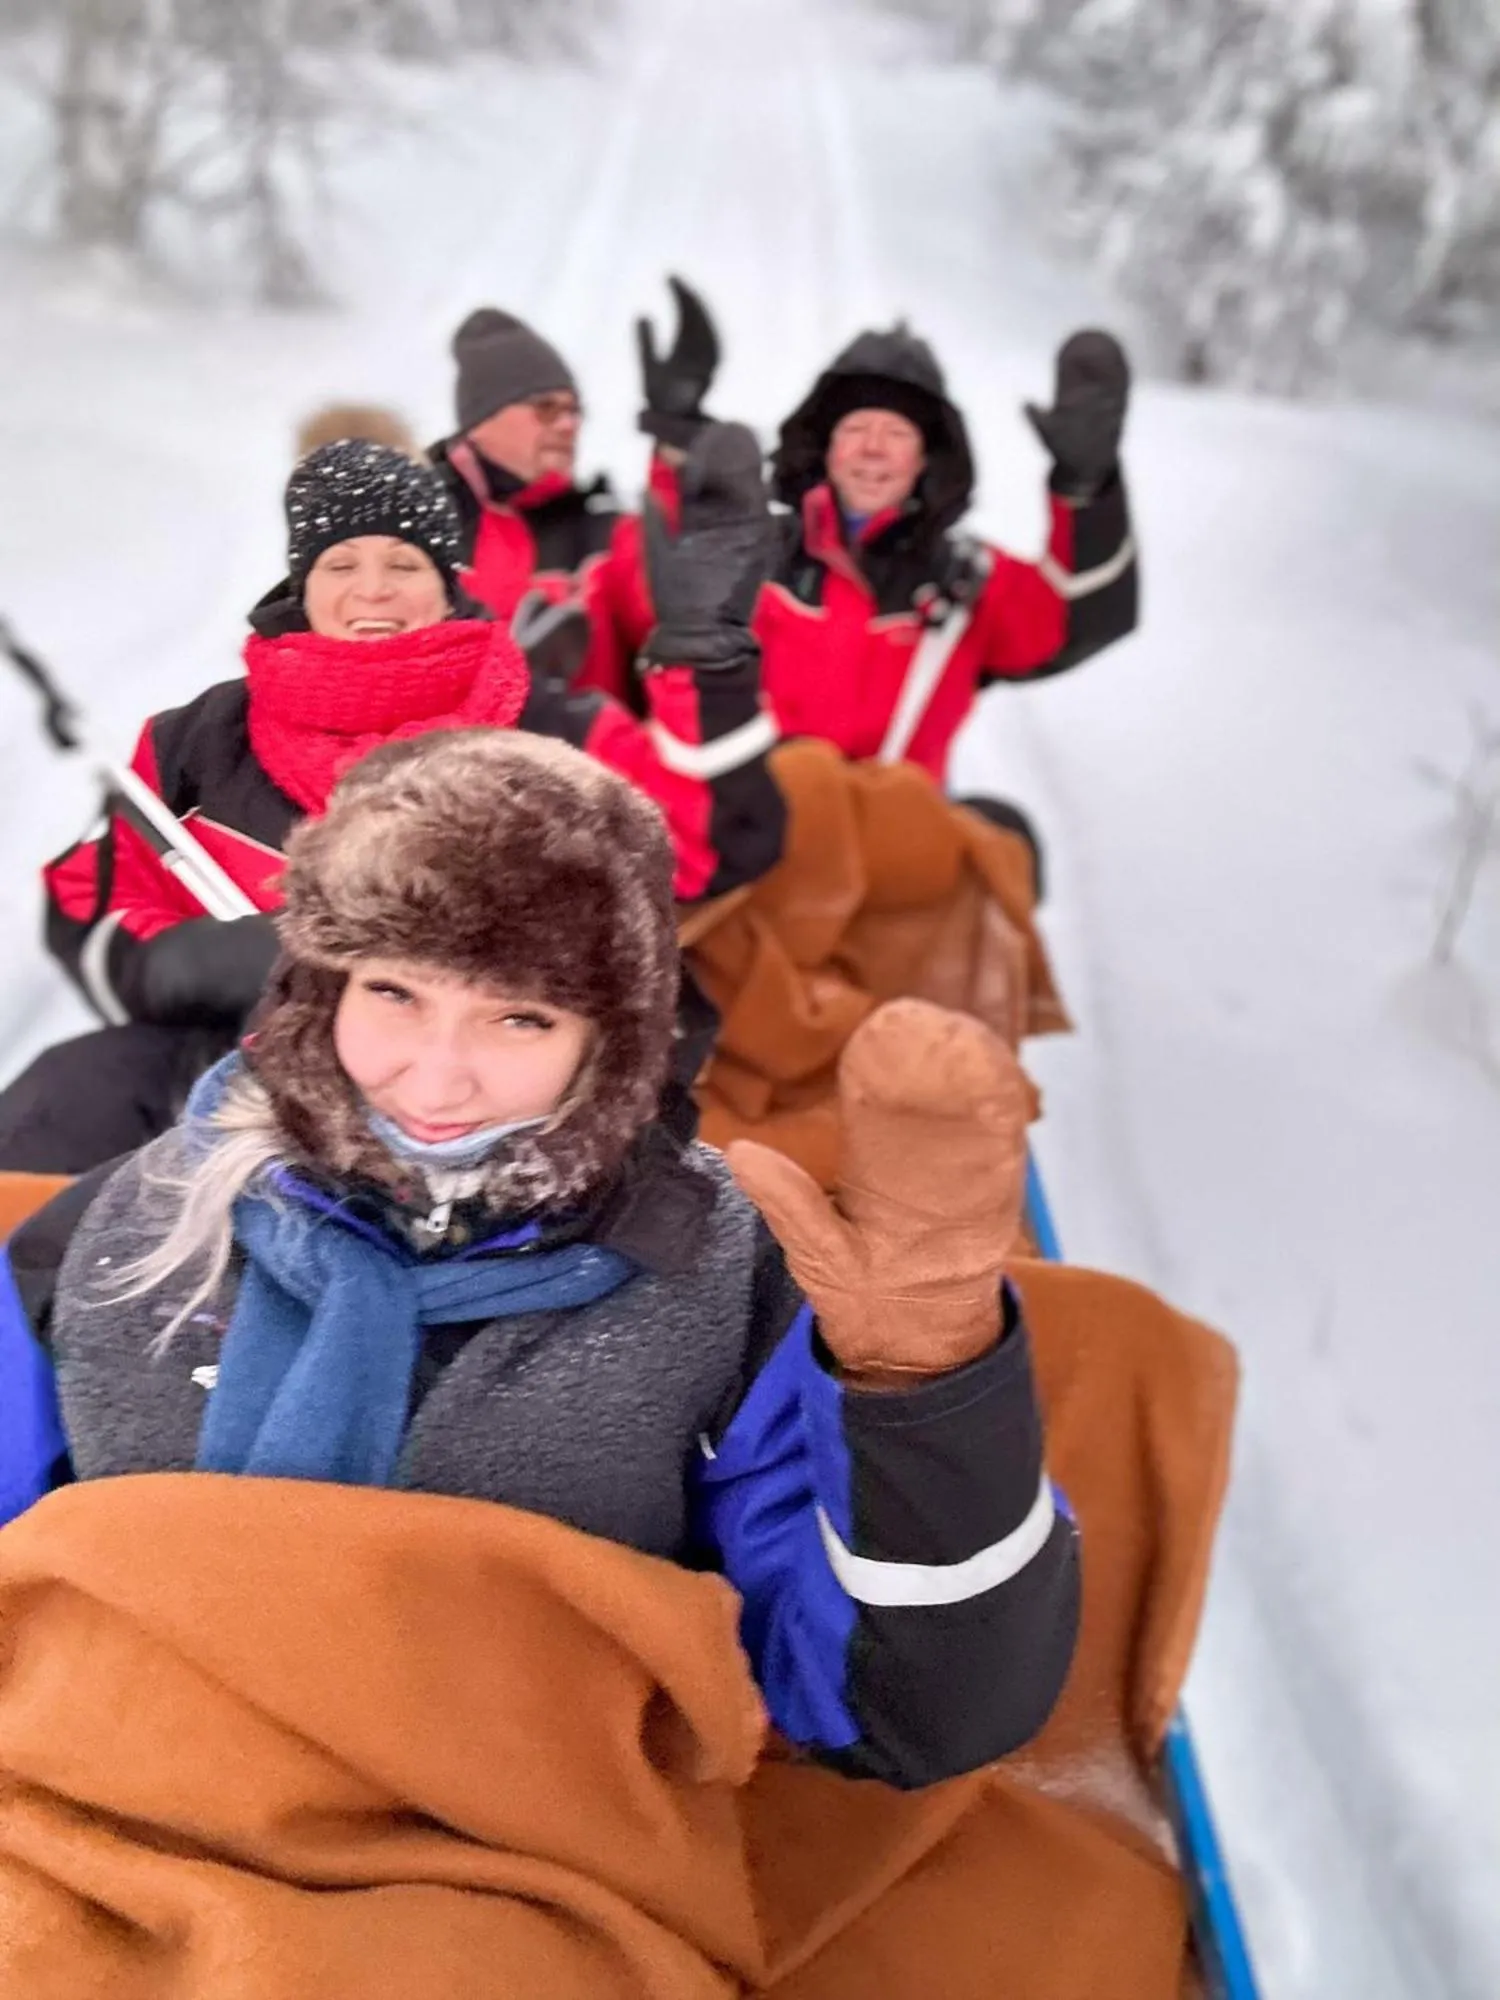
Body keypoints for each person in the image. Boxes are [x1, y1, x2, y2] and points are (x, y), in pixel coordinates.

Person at [0, 728, 1080, 1790]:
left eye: (520, 1018)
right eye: (394, 993)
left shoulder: (728, 1285)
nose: (435, 1081)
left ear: (608, 1041)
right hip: (108, 1806)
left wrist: (924, 1383)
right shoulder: (112, 1236)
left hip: (505, 1846)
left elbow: (905, 1716)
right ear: (322, 987)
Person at [0, 428, 780, 1173]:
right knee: (60, 1104)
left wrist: (707, 666)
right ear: (302, 586)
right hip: (247, 1077)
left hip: (503, 1103)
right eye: (340, 563)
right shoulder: (197, 740)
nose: (372, 588)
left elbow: (712, 844)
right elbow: (88, 895)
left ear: (448, 584)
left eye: (403, 563)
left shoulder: (552, 728)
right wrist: (170, 961)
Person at [430, 277, 719, 689]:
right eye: (546, 409)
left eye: (574, 410)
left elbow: (680, 606)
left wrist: (678, 443)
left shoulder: (603, 536)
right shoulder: (422, 532)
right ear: (481, 420)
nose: (569, 425)